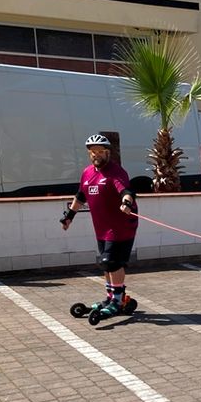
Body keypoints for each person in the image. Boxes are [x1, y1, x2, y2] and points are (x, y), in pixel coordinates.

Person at [60, 133, 138, 318]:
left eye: (100, 151)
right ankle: (111, 297)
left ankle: (117, 301)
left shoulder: (116, 172)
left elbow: (126, 190)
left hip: (121, 225)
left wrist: (126, 202)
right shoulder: (87, 173)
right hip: (102, 228)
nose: (96, 155)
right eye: (92, 152)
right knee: (105, 264)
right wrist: (69, 216)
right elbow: (81, 196)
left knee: (111, 262)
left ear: (107, 153)